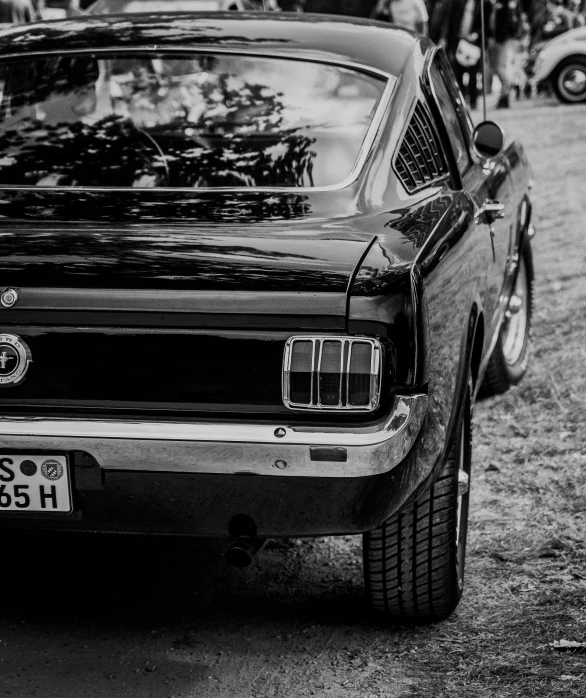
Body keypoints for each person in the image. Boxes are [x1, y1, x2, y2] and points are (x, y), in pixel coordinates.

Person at [487, 0, 522, 108]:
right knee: (494, 68)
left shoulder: (505, 8)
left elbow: (508, 25)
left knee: (500, 68)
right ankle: (504, 94)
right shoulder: (496, 6)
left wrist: (501, 38)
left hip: (502, 41)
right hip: (496, 40)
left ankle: (506, 93)